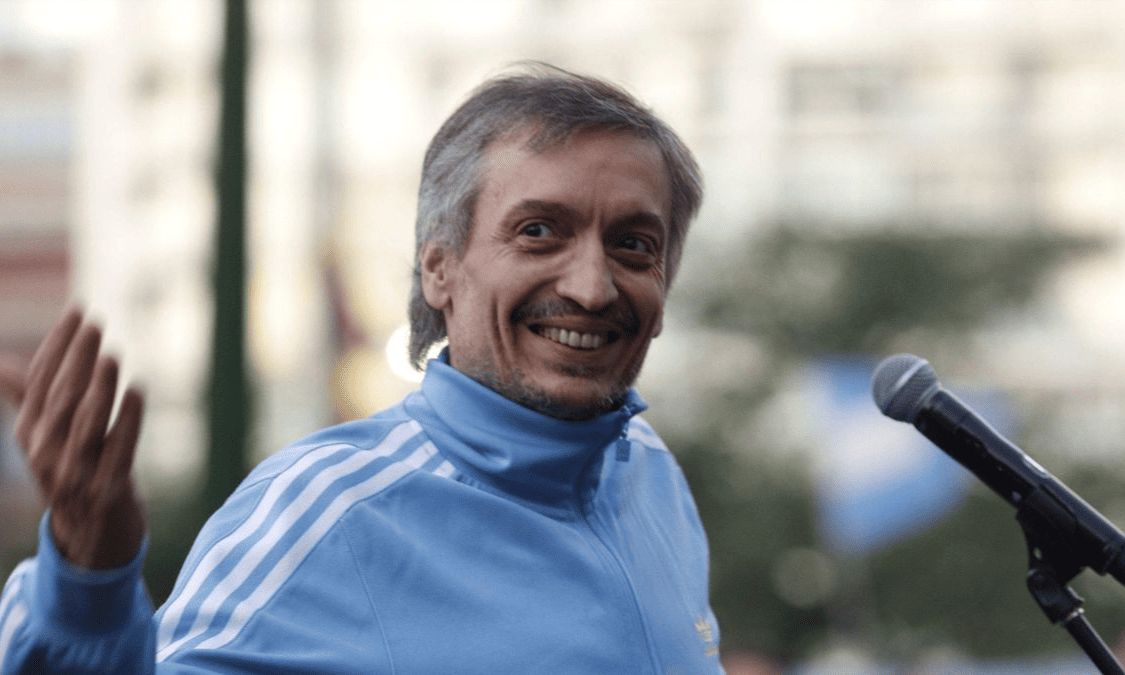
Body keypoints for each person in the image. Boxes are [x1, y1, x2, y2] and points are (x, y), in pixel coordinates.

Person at [0, 64, 722, 673]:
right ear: (439, 269)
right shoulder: (324, 511)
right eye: (538, 232)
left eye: (633, 244)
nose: (592, 288)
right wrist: (86, 591)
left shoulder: (648, 472)